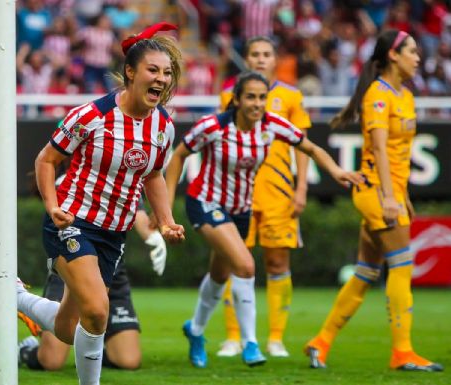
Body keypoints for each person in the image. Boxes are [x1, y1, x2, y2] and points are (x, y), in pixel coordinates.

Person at [16, 22, 186, 385]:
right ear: (130, 72)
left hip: (115, 232)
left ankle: (15, 297)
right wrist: (52, 205)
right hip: (72, 221)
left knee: (67, 328)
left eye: (167, 73)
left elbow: (153, 175)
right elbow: (45, 160)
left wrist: (166, 219)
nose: (161, 79)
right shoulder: (91, 116)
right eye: (153, 70)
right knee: (96, 311)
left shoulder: (164, 126)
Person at [165, 71, 362, 369]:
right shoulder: (213, 126)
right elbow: (178, 156)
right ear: (237, 99)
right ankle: (251, 344)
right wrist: (165, 212)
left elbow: (311, 147)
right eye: (251, 97)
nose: (257, 104)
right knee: (245, 265)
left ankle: (195, 330)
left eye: (262, 97)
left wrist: (337, 172)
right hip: (206, 202)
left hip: (240, 210)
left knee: (219, 275)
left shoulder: (272, 125)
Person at [304, 30, 444, 372]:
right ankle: (402, 352)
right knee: (402, 265)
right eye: (411, 51)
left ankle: (319, 342)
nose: (418, 57)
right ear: (393, 56)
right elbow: (378, 149)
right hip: (375, 192)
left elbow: (400, 154)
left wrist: (404, 194)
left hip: (391, 192)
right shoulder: (377, 96)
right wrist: (389, 198)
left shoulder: (406, 95)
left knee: (366, 272)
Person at [217, 36, 312, 358]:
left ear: (275, 59)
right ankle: (234, 337)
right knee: (236, 262)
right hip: (238, 191)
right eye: (254, 54)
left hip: (279, 192)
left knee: (277, 262)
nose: (260, 59)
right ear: (246, 59)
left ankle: (275, 337)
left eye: (266, 54)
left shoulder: (290, 96)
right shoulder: (229, 95)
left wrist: (301, 188)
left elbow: (302, 144)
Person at [18, 207, 167, 371]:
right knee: (52, 359)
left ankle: (92, 346)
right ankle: (25, 343)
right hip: (75, 260)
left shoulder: (129, 183)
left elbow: (140, 206)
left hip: (112, 266)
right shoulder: (73, 183)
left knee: (128, 360)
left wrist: (158, 231)